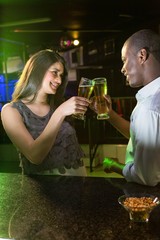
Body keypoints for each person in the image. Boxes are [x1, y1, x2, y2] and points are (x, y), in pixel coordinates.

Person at [1, 49, 90, 176]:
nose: (59, 80)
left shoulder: (57, 105)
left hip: (78, 186)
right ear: (37, 70)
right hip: (45, 192)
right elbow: (35, 156)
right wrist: (60, 113)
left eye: (61, 75)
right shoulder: (11, 111)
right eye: (55, 72)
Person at [101, 29, 160, 186]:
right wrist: (110, 114)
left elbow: (146, 177)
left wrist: (115, 166)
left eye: (124, 60)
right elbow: (145, 137)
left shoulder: (149, 107)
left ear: (142, 56)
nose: (122, 69)